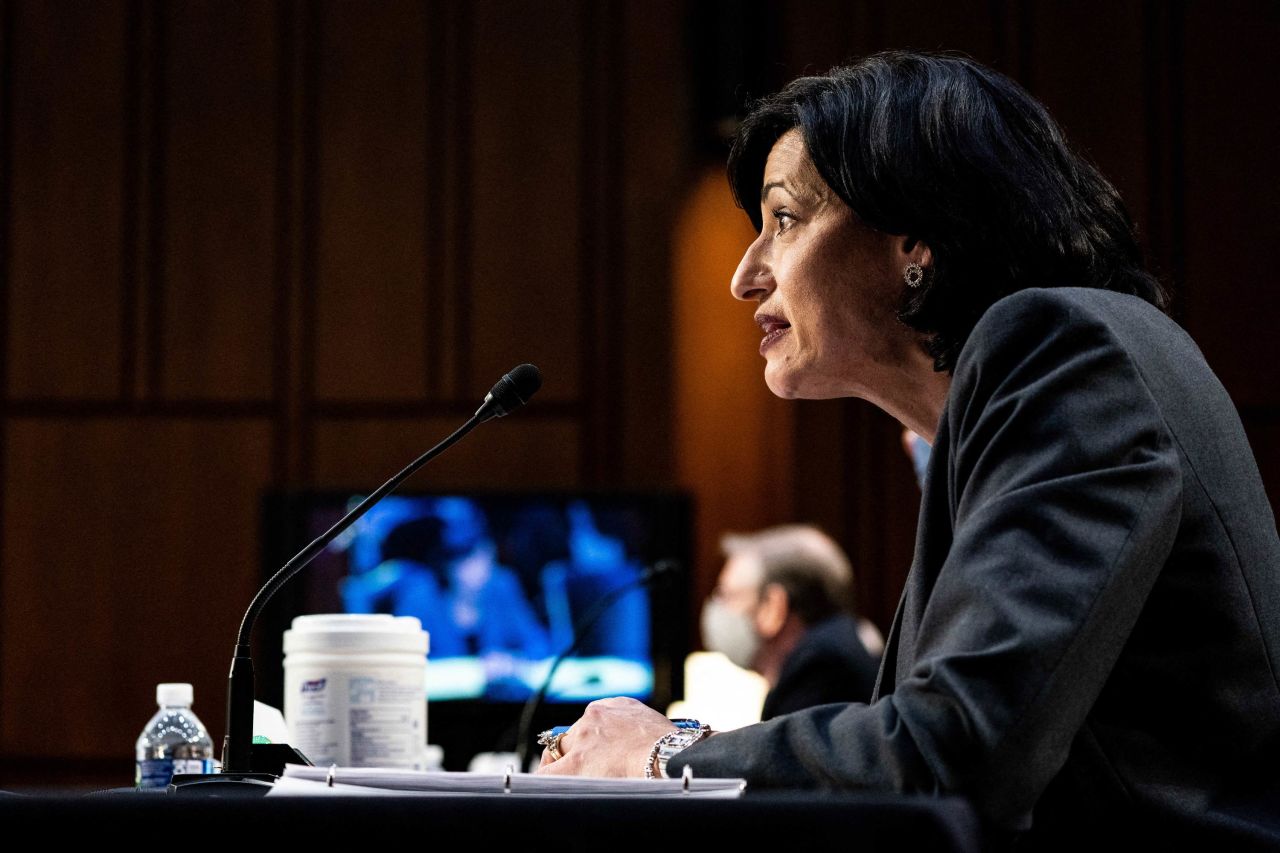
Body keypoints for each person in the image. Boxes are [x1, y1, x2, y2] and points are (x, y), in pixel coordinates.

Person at [536, 51, 1280, 848]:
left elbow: (954, 753)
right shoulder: (1035, 383)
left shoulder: (1066, 350)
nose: (745, 276)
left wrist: (666, 752)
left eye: (783, 219)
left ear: (915, 240)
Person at [701, 524, 881, 717]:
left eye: (725, 595)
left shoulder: (819, 669)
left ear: (772, 606)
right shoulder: (845, 640)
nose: (716, 607)